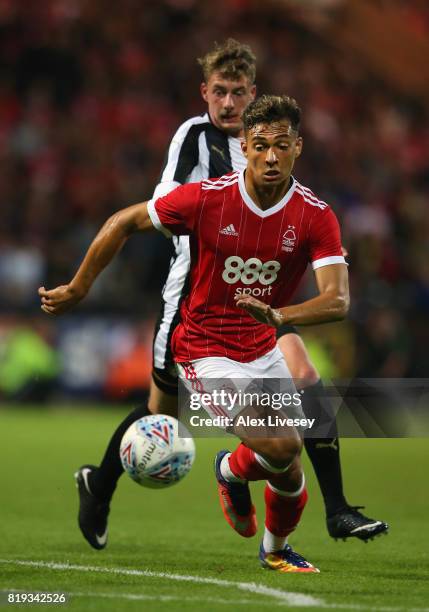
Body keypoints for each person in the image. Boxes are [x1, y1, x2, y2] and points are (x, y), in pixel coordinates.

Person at [44, 39, 387, 552]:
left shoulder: (272, 150)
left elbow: (329, 284)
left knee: (307, 377)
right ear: (206, 93)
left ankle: (335, 506)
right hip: (195, 294)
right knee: (161, 415)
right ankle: (102, 483)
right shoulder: (194, 139)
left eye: (239, 94)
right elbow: (158, 212)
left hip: (260, 297)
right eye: (220, 93)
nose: (229, 104)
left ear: (254, 96)